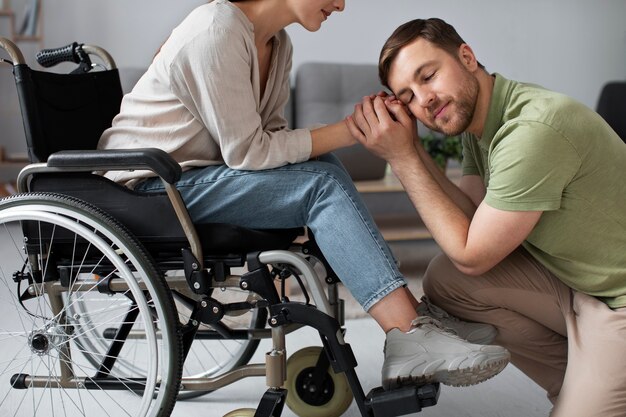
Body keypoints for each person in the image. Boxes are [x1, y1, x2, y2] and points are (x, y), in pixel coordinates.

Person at [98, 1, 509, 390]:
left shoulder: (278, 45)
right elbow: (249, 153)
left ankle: (413, 321)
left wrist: (360, 126)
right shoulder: (216, 29)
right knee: (320, 186)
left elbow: (274, 144)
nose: (342, 5)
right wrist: (354, 129)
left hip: (191, 180)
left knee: (323, 167)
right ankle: (406, 333)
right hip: (148, 190)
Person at [347, 17, 626, 415]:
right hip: (580, 286)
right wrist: (412, 147)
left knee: (461, 266)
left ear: (466, 56)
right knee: (446, 281)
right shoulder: (480, 127)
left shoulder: (531, 131)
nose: (423, 100)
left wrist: (403, 157)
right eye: (406, 96)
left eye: (428, 76)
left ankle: (598, 387)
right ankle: (583, 382)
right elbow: (474, 220)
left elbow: (473, 254)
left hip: (620, 299)